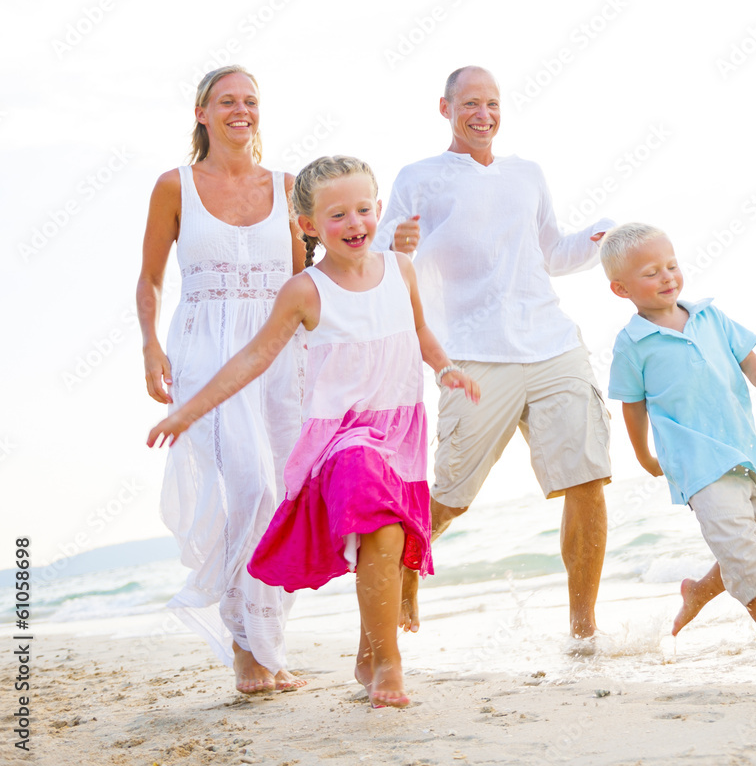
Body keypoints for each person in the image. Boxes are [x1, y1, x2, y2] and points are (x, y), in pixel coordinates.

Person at [149, 155, 480, 707]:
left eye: (363, 210)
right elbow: (252, 359)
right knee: (376, 515)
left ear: (377, 209)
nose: (355, 225)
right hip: (340, 436)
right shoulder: (304, 290)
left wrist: (446, 369)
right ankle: (390, 668)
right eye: (337, 216)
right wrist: (187, 410)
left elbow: (419, 329)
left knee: (389, 539)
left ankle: (370, 654)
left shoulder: (400, 268)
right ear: (307, 226)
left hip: (399, 427)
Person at [373, 65, 614, 646]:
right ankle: (408, 567)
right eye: (471, 104)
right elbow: (376, 259)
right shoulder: (419, 177)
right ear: (445, 108)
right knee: (450, 496)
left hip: (553, 343)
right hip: (473, 355)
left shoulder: (526, 174)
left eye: (493, 103)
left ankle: (584, 629)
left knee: (587, 479)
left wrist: (600, 238)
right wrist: (395, 246)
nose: (483, 115)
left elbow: (552, 252)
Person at [601, 222, 756, 675]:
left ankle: (698, 592)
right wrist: (643, 455)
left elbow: (747, 357)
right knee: (746, 558)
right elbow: (632, 405)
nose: (668, 277)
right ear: (621, 289)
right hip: (696, 466)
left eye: (671, 265)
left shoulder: (712, 317)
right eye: (651, 272)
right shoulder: (632, 344)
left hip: (745, 452)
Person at [136, 65, 308, 694]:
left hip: (279, 355)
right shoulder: (173, 186)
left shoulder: (289, 186)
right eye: (227, 101)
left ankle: (267, 645)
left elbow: (302, 281)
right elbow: (151, 277)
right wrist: (151, 344)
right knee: (251, 486)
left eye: (251, 101)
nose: (242, 110)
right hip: (205, 351)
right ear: (202, 114)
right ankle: (248, 646)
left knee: (284, 493)